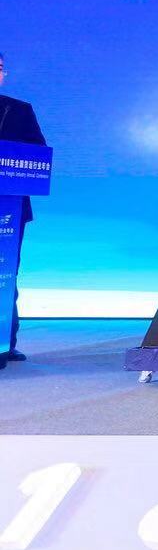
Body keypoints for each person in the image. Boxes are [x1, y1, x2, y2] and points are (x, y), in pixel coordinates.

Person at [0, 51, 43, 366]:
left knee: (5, 274)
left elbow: (38, 152)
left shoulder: (19, 110)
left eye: (0, 67)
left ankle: (5, 342)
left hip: (8, 210)